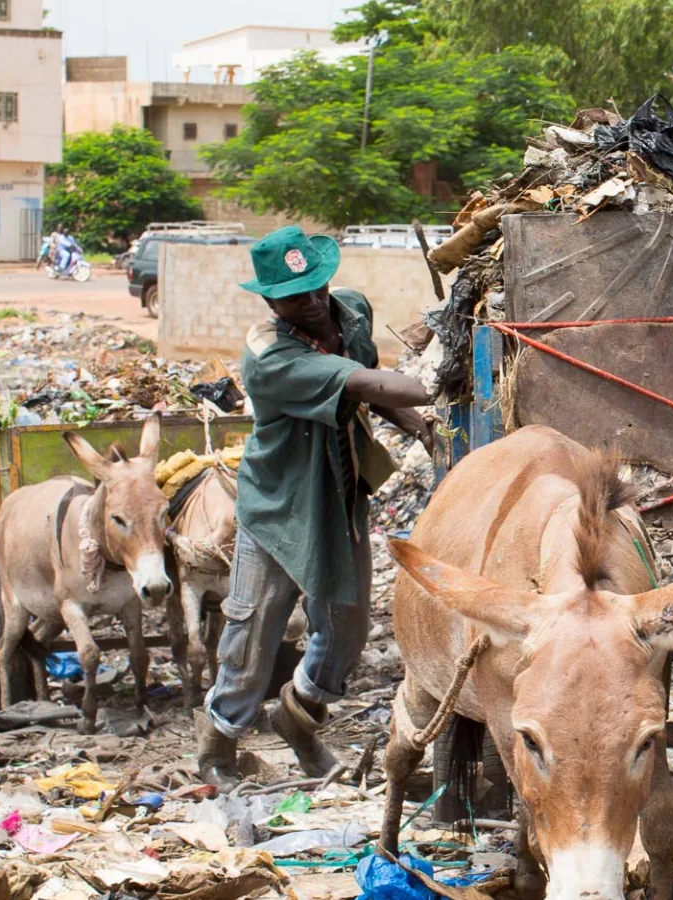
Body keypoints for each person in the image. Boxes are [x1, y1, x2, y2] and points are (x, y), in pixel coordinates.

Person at [196, 226, 436, 784]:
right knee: (254, 632)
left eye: (316, 287)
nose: (310, 301)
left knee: (346, 630)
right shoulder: (269, 356)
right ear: (268, 299)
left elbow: (369, 391)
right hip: (278, 507)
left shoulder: (351, 314)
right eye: (293, 295)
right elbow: (368, 383)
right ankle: (217, 749)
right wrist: (448, 378)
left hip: (337, 496)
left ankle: (299, 719)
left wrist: (415, 424)